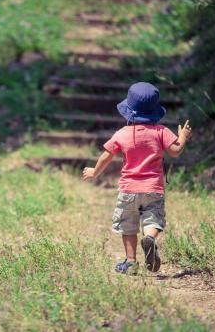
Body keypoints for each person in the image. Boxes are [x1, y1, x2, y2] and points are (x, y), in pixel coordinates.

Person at [82, 82, 192, 275]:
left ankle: (131, 262)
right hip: (153, 189)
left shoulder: (122, 134)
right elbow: (175, 151)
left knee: (128, 226)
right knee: (152, 219)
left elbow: (106, 155)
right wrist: (183, 136)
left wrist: (94, 172)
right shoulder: (161, 131)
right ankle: (150, 238)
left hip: (129, 190)